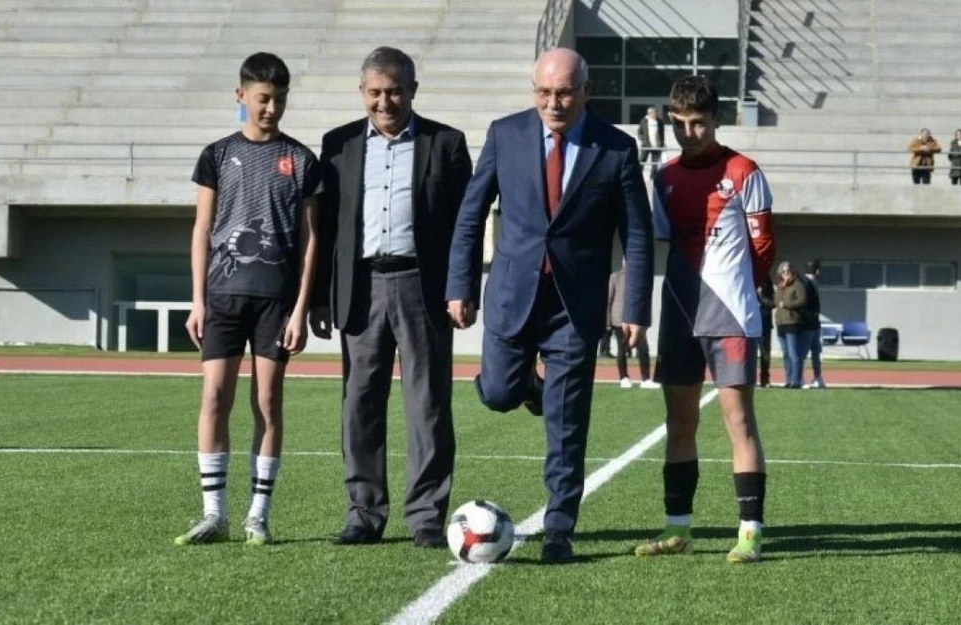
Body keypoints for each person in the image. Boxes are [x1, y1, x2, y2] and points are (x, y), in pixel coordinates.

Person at [445, 48, 654, 564]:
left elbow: (638, 235)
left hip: (575, 306)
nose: (553, 103)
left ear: (586, 91)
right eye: (543, 92)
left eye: (563, 92)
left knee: (567, 423)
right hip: (512, 295)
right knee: (496, 392)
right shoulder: (505, 134)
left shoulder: (617, 149)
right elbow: (471, 215)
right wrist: (460, 285)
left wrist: (633, 306)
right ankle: (533, 387)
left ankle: (560, 526)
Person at [310, 47, 473, 549]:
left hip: (422, 287)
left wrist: (462, 288)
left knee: (427, 405)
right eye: (376, 92)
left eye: (396, 90)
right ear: (362, 93)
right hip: (360, 288)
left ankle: (426, 516)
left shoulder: (445, 143)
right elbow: (325, 228)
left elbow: (464, 227)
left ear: (413, 91)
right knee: (359, 404)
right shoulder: (336, 145)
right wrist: (319, 296)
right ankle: (364, 513)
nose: (386, 102)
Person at [176, 52, 321, 546]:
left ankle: (258, 515)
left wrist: (301, 308)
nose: (270, 109)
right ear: (240, 96)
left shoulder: (301, 160)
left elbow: (310, 241)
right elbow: (202, 230)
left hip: (275, 302)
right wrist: (197, 299)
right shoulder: (216, 154)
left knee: (267, 402)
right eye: (262, 99)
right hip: (222, 296)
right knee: (214, 397)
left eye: (279, 100)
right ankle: (213, 514)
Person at [633, 75, 776, 564]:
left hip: (731, 314)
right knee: (680, 422)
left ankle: (751, 533)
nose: (689, 132)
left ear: (717, 120)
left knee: (738, 421)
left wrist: (740, 292)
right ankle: (679, 530)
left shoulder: (743, 171)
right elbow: (661, 243)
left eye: (698, 123)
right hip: (678, 311)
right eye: (680, 124)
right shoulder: (665, 177)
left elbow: (763, 247)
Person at [608, 263, 657, 388]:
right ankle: (623, 377)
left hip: (636, 320)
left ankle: (646, 379)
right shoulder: (615, 277)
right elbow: (609, 299)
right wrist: (607, 322)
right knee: (622, 349)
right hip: (618, 319)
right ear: (623, 262)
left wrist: (646, 320)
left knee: (643, 349)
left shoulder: (640, 276)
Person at [775, 261, 809, 388]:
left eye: (787, 271)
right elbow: (777, 301)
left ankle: (796, 381)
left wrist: (787, 305)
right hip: (781, 323)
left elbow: (802, 301)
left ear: (792, 271)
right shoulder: (780, 286)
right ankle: (788, 380)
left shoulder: (798, 285)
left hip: (792, 322)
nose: (785, 274)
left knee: (793, 353)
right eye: (783, 271)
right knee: (785, 354)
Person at [802, 260, 825, 389]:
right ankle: (800, 377)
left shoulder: (814, 283)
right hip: (808, 324)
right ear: (815, 270)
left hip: (815, 324)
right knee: (804, 352)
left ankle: (817, 376)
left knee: (816, 351)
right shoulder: (805, 283)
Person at [756, 274, 775, 388]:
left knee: (765, 353)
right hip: (749, 322)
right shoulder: (748, 276)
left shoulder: (767, 279)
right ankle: (749, 379)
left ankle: (765, 378)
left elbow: (773, 301)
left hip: (765, 322)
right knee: (749, 354)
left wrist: (763, 300)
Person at [637, 105, 665, 175]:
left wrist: (662, 143)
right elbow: (639, 132)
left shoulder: (660, 122)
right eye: (654, 112)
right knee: (641, 162)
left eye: (656, 112)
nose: (656, 113)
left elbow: (662, 134)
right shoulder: (644, 121)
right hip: (646, 145)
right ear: (650, 113)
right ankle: (638, 177)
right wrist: (643, 139)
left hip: (657, 146)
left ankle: (653, 179)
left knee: (655, 165)